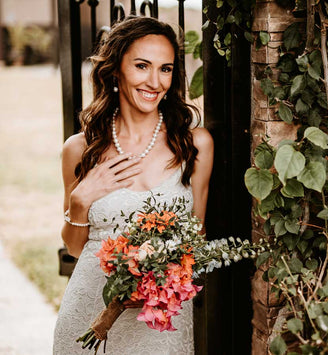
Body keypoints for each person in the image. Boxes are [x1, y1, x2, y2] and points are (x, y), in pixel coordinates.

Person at [53, 16, 213, 354]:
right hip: (89, 311)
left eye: (165, 69)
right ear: (115, 70)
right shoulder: (79, 149)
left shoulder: (195, 144)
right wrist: (80, 202)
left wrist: (157, 276)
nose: (155, 81)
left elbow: (196, 244)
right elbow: (74, 248)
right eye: (142, 66)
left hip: (158, 323)